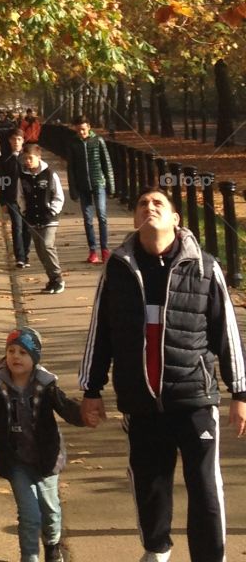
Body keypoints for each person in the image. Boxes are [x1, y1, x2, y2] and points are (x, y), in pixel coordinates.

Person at [79, 185, 246, 562]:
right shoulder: (118, 269)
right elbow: (100, 332)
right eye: (142, 204)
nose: (149, 208)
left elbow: (227, 334)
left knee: (204, 486)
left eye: (158, 204)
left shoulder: (205, 266)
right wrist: (91, 389)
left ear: (175, 218)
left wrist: (240, 392)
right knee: (150, 483)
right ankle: (157, 549)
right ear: (135, 218)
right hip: (140, 401)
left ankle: (210, 556)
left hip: (194, 398)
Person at [0, 327, 84, 562]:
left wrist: (85, 414)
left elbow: (66, 408)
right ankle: (29, 556)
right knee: (29, 514)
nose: (15, 356)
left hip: (46, 458)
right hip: (15, 461)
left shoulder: (45, 385)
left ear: (35, 357)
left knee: (50, 511)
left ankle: (52, 547)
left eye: (23, 352)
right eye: (11, 351)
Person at [65, 114, 116, 264]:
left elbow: (106, 163)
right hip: (82, 185)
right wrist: (73, 189)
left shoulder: (98, 141)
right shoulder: (73, 144)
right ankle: (93, 251)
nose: (81, 132)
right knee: (88, 219)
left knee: (102, 216)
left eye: (83, 129)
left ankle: (105, 249)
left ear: (89, 127)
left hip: (98, 182)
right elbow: (71, 168)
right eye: (78, 130)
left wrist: (111, 185)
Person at [19, 143, 65, 294]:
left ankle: (58, 279)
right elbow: (20, 196)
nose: (27, 162)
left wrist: (52, 211)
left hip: (49, 218)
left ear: (38, 157)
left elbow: (59, 195)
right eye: (25, 159)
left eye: (30, 158)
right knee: (39, 250)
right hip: (32, 218)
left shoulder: (50, 174)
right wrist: (24, 211)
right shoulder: (23, 176)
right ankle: (51, 279)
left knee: (47, 245)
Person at [0, 129, 30, 268]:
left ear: (23, 141)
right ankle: (20, 257)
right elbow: (0, 181)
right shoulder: (4, 159)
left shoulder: (28, 158)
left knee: (27, 228)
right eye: (14, 139)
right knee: (17, 227)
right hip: (12, 199)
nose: (16, 142)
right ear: (10, 141)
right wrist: (2, 201)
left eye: (19, 139)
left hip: (28, 199)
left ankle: (26, 254)